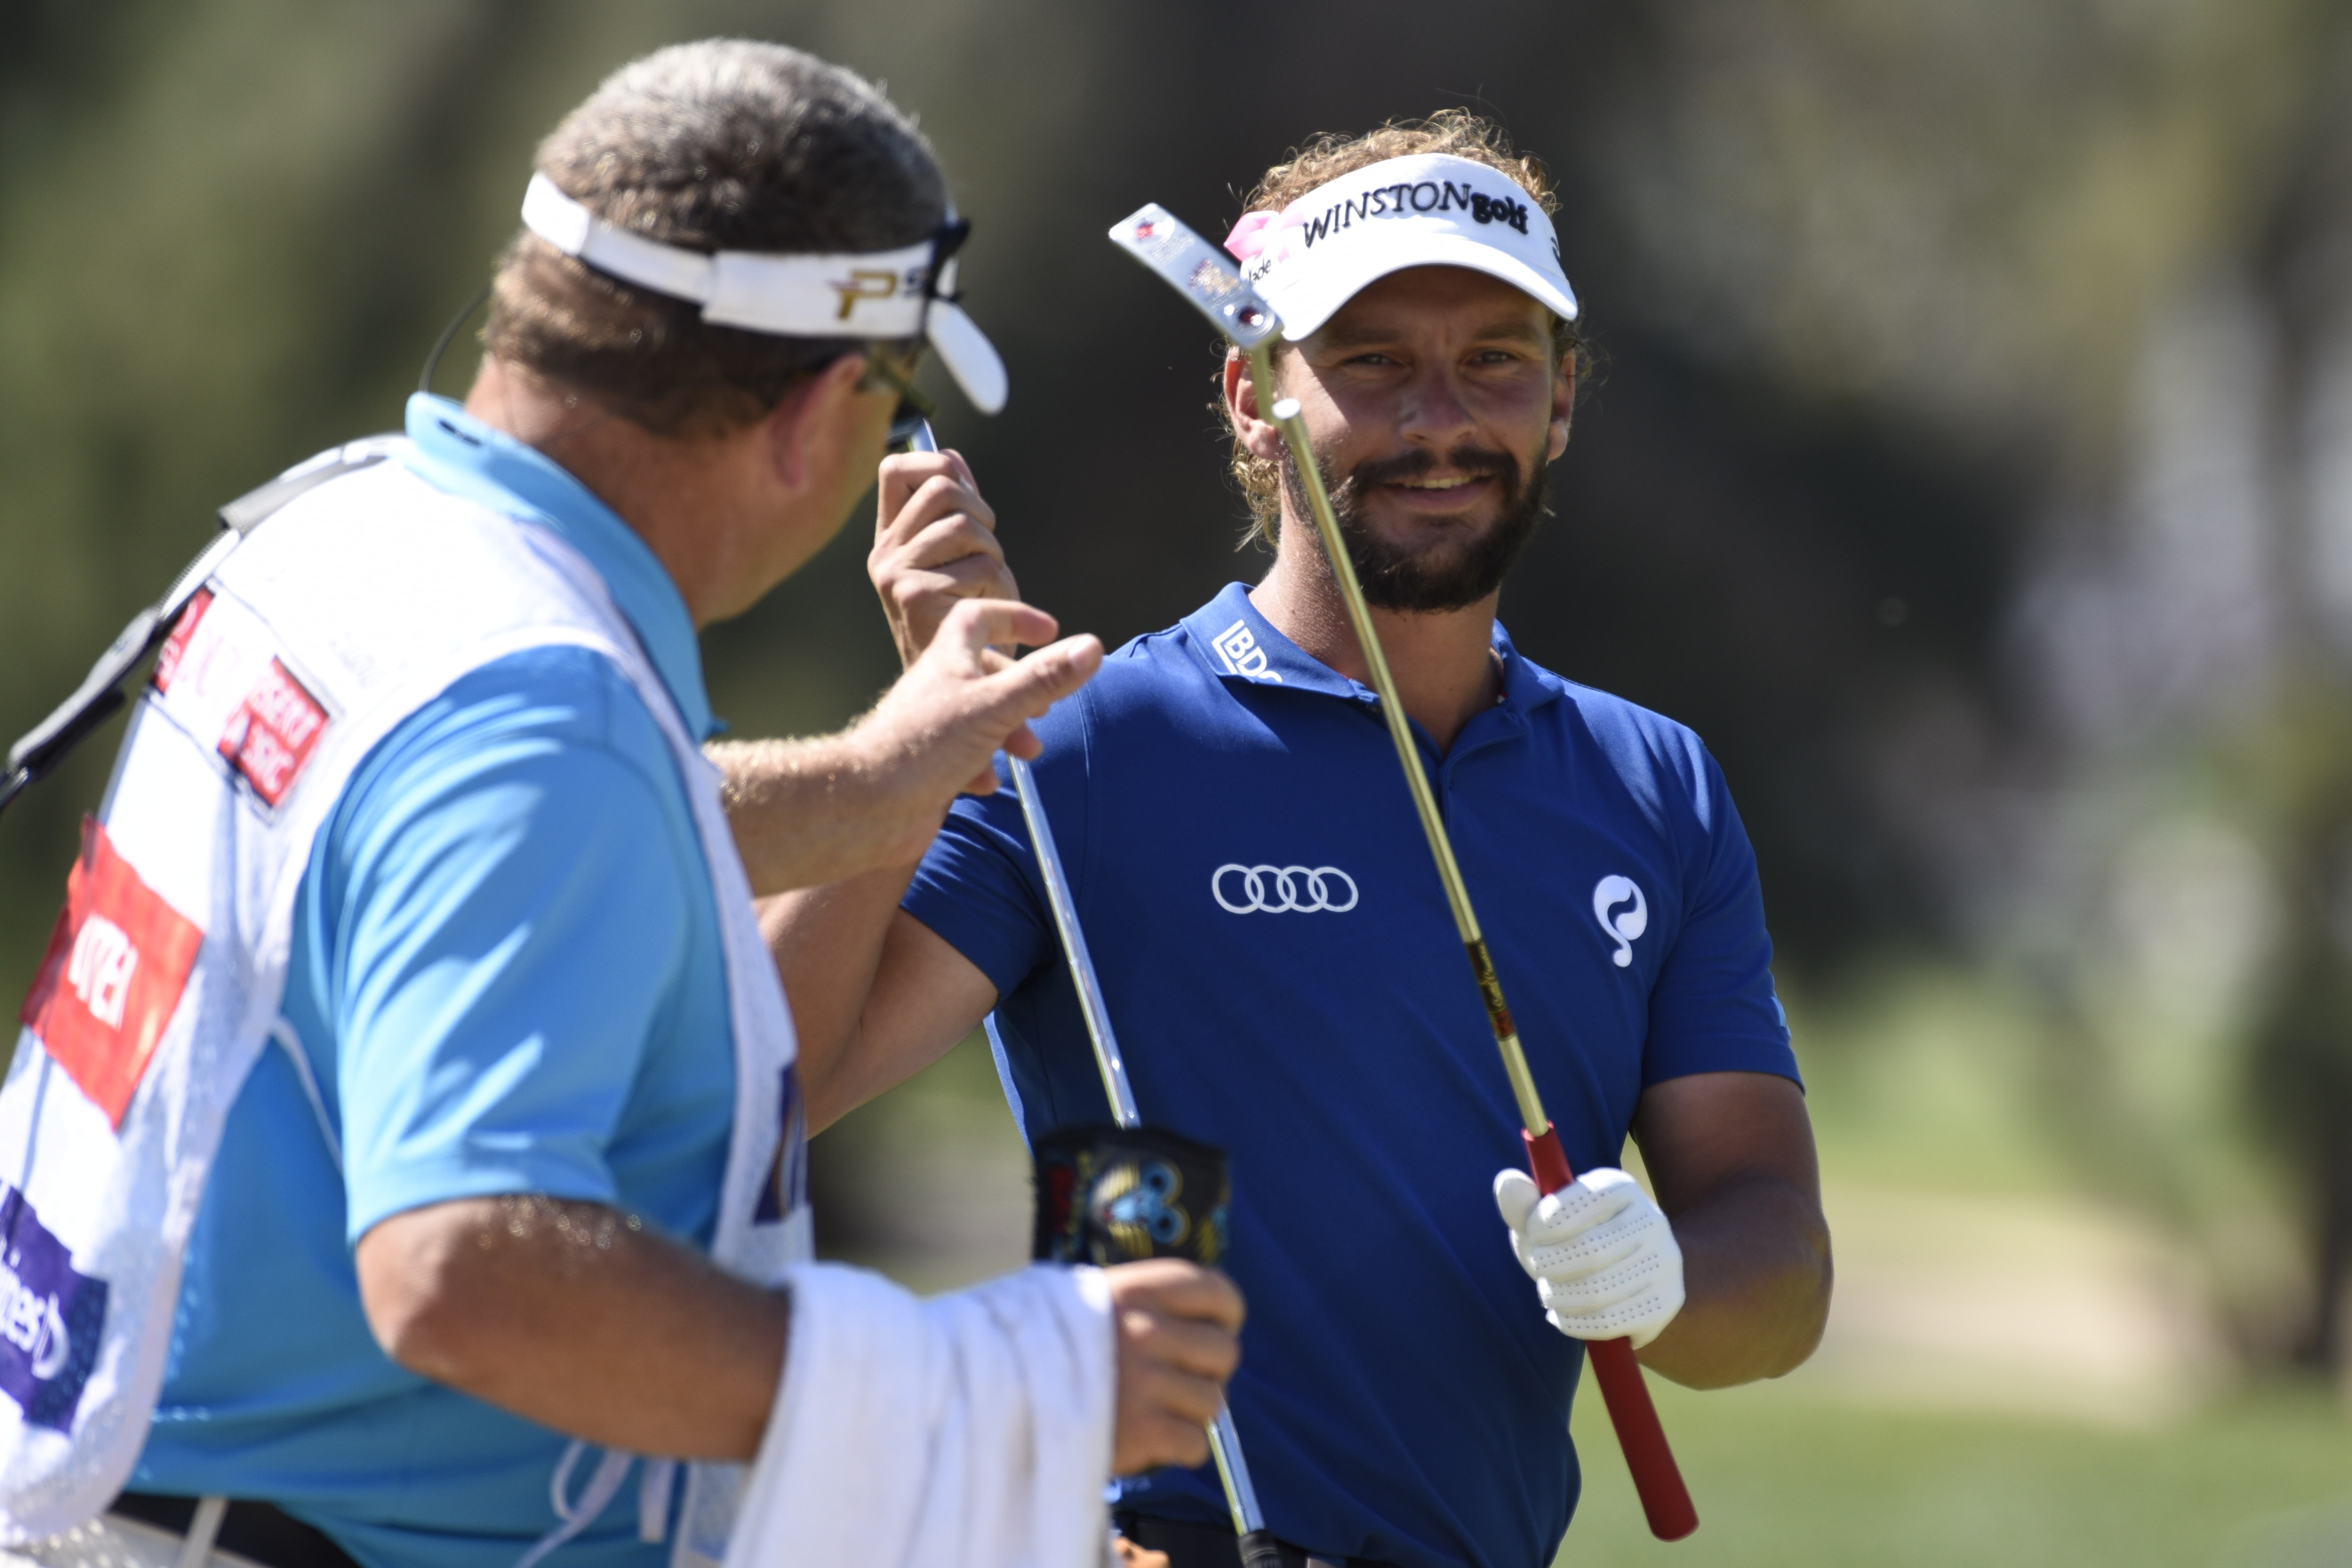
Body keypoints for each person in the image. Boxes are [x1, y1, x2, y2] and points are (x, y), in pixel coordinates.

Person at [0, 41, 1244, 1568]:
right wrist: (990, 1391)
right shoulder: (543, 713)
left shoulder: (354, 533)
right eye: (893, 397)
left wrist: (874, 787)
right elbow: (462, 1275)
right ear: (814, 411)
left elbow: (490, 849)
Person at [771, 111, 1835, 1568]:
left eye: (1495, 360)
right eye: (1372, 363)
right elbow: (779, 1078)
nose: (1439, 420)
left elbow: (1772, 1271)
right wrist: (917, 740)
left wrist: (1665, 1283)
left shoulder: (1653, 786)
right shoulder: (1083, 739)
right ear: (1251, 392)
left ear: (1563, 397)